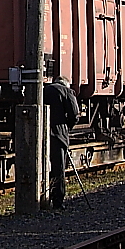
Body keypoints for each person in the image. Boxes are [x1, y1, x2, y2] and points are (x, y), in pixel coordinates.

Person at [44, 76, 80, 211]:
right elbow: (74, 115)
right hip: (59, 135)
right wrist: (67, 128)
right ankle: (57, 201)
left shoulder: (43, 90)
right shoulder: (67, 92)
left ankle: (42, 197)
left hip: (42, 133)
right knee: (58, 168)